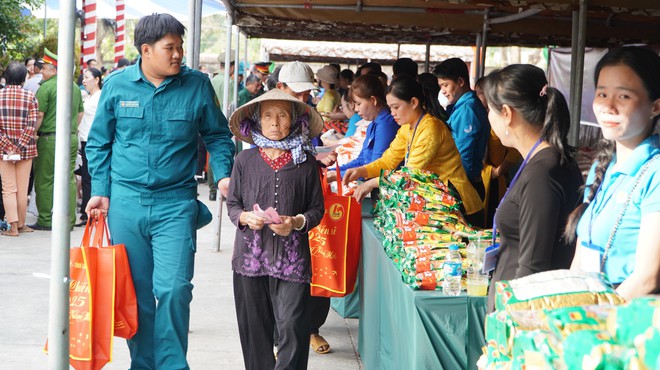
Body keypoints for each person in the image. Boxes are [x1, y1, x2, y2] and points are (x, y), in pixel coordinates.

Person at [85, 13, 235, 369]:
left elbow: (217, 134)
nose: (178, 54)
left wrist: (225, 175)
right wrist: (101, 190)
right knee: (136, 294)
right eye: (170, 47)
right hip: (126, 203)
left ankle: (171, 365)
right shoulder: (118, 85)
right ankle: (144, 364)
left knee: (174, 289)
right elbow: (98, 142)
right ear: (146, 49)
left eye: (180, 47)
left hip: (176, 203)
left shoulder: (197, 85)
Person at [227, 88, 325, 370]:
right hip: (250, 259)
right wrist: (246, 217)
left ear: (294, 120)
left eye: (282, 115)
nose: (274, 123)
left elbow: (316, 210)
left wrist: (295, 222)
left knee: (294, 326)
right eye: (268, 116)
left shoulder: (305, 163)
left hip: (292, 259)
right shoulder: (244, 161)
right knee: (255, 329)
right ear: (256, 120)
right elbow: (233, 205)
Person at [481, 64, 583, 312]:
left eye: (489, 110)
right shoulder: (542, 162)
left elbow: (532, 268)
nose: (488, 118)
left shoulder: (543, 172)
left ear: (506, 113)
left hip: (520, 320)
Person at [567, 46, 660, 299]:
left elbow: (647, 278)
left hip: (625, 323)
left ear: (655, 107)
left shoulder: (655, 173)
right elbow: (582, 255)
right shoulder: (602, 165)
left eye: (624, 97)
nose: (607, 106)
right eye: (602, 93)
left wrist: (588, 317)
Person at [342, 76, 483, 217]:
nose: (392, 113)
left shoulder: (430, 128)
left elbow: (410, 173)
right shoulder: (406, 128)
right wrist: (361, 171)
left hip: (459, 204)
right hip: (438, 201)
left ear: (414, 102)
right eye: (390, 107)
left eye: (396, 107)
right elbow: (388, 161)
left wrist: (371, 183)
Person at [30, 48, 84, 231]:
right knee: (68, 178)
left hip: (49, 139)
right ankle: (68, 221)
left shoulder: (46, 88)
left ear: (54, 70)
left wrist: (33, 134)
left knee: (45, 179)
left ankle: (45, 220)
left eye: (44, 68)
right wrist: (71, 130)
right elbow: (80, 113)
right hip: (71, 138)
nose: (41, 72)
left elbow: (39, 116)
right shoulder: (75, 87)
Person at [433, 58, 490, 214]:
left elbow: (463, 154)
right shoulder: (461, 107)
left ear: (460, 81)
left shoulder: (468, 108)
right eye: (440, 86)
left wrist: (455, 186)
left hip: (465, 186)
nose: (443, 91)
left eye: (445, 85)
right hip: (462, 184)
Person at [327, 74, 399, 189]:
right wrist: (331, 171)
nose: (356, 109)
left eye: (359, 103)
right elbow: (362, 160)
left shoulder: (386, 124)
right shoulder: (373, 124)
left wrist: (336, 175)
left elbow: (376, 167)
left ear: (373, 100)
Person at [0, 61, 38, 236]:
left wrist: (8, 146)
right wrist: (19, 146)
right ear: (23, 79)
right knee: (22, 189)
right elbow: (32, 126)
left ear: (6, 77)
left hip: (3, 151)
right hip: (26, 150)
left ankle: (13, 226)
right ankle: (22, 224)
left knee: (8, 188)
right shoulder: (30, 97)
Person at [76, 67, 103, 226]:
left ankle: (87, 214)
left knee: (88, 178)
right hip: (85, 141)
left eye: (87, 77)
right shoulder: (88, 97)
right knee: (86, 177)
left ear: (97, 79)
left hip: (94, 141)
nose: (84, 81)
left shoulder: (100, 97)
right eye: (83, 78)